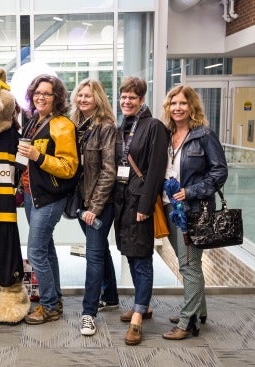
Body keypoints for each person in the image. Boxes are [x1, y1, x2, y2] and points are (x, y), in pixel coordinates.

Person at [161, 85, 228, 340]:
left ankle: (187, 322)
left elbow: (220, 172)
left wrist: (191, 191)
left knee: (188, 266)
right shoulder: (167, 135)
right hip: (170, 206)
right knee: (189, 263)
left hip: (192, 210)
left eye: (183, 103)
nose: (177, 108)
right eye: (173, 103)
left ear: (192, 107)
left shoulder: (203, 135)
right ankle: (198, 310)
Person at [17, 74, 79, 325]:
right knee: (46, 249)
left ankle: (49, 305)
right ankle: (55, 299)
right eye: (37, 93)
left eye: (47, 93)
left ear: (57, 98)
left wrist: (37, 156)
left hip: (50, 197)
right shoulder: (33, 121)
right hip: (32, 195)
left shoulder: (62, 125)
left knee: (35, 252)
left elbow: (69, 167)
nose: (41, 97)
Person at [113, 76, 168, 345]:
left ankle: (137, 318)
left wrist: (146, 206)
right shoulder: (122, 126)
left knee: (143, 258)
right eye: (123, 97)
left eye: (132, 97)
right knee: (132, 256)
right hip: (122, 201)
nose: (126, 101)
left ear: (142, 100)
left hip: (140, 204)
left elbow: (156, 170)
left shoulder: (154, 127)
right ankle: (142, 305)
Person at [69, 79, 118, 336]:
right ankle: (110, 296)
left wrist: (95, 208)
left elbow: (109, 171)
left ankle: (89, 314)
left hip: (99, 203)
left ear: (98, 98)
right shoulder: (76, 126)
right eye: (80, 95)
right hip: (81, 201)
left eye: (88, 96)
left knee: (94, 254)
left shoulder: (106, 127)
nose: (83, 99)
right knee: (100, 250)